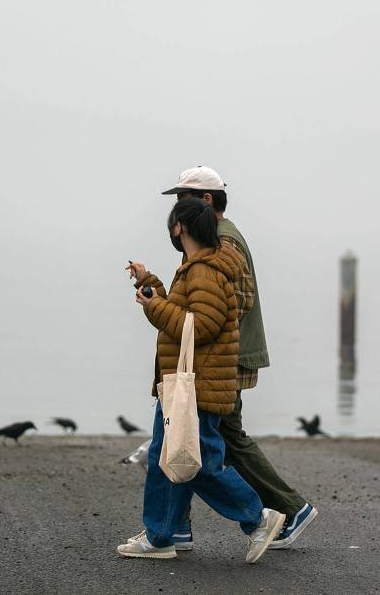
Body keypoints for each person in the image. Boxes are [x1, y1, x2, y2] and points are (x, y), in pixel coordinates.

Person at [119, 198, 285, 563]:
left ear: (180, 227)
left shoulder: (204, 270)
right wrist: (151, 285)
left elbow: (203, 326)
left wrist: (154, 308)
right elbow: (189, 316)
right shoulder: (198, 267)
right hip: (193, 381)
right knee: (173, 460)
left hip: (196, 384)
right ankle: (161, 536)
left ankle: (259, 518)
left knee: (199, 465)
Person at [162, 166, 317, 550]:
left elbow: (237, 301)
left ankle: (286, 509)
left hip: (224, 358)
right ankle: (177, 527)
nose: (178, 208)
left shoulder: (224, 240)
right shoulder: (214, 237)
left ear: (206, 200)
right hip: (223, 355)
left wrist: (199, 330)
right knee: (199, 436)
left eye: (184, 198)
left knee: (209, 438)